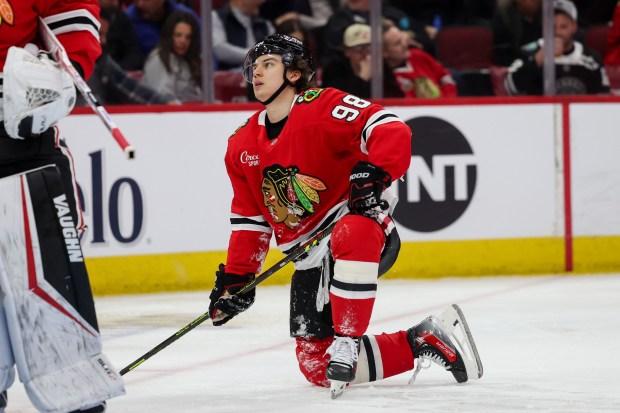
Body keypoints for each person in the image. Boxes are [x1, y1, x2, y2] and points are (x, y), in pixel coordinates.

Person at [207, 34, 482, 397]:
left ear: (293, 73)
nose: (255, 73)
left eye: (268, 64)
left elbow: (389, 127)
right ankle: (423, 339)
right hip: (309, 254)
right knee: (317, 367)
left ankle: (349, 339)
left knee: (349, 235)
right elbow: (250, 218)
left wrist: (376, 173)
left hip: (359, 224)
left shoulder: (323, 105)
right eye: (253, 66)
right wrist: (237, 278)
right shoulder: (240, 144)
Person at [0, 1, 124, 412]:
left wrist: (47, 81)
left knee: (48, 268)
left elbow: (72, 34)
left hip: (22, 144)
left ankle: (73, 379)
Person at [505, 0, 610, 95]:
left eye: (563, 27)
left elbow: (604, 95)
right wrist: (538, 59)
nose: (557, 32)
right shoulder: (529, 52)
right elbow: (510, 88)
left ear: (574, 27)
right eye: (552, 26)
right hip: (539, 114)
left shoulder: (591, 58)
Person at [88, 6, 180, 105]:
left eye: (105, 35)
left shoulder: (103, 61)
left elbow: (131, 88)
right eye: (100, 34)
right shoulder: (71, 64)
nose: (104, 41)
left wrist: (165, 103)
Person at [321, 23, 403, 98]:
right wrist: (362, 78)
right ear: (347, 51)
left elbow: (396, 97)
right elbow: (339, 102)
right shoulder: (334, 70)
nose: (365, 53)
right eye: (358, 48)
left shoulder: (381, 67)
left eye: (369, 47)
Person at [383, 23, 458, 98]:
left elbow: (445, 76)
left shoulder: (418, 56)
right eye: (397, 43)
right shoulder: (386, 81)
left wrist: (449, 100)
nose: (404, 44)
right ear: (384, 52)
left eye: (402, 39)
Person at [142, 11, 202, 103]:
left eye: (188, 37)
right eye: (178, 35)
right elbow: (162, 98)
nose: (183, 41)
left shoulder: (192, 60)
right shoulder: (158, 59)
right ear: (169, 36)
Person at [212, 0, 275, 71]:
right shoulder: (216, 17)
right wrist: (255, 55)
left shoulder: (265, 23)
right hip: (230, 76)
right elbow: (220, 50)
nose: (263, 1)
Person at [125, 0, 200, 59]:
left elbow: (206, 52)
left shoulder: (187, 17)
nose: (139, 4)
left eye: (146, 0)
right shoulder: (127, 19)